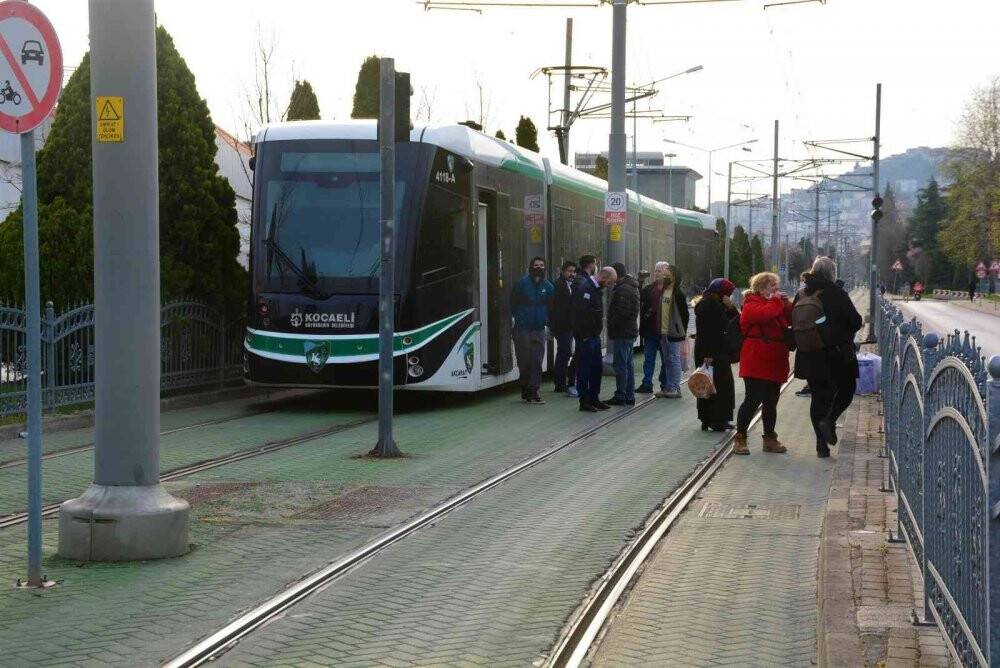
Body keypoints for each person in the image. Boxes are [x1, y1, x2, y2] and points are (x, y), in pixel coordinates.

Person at [793, 257, 863, 458]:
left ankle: (820, 445)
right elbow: (855, 321)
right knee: (846, 390)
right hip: (837, 354)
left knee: (818, 398)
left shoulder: (801, 293)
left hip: (809, 354)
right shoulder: (837, 293)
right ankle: (830, 420)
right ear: (832, 272)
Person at [733, 272, 793, 455]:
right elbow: (765, 315)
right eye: (771, 285)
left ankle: (769, 438)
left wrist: (787, 304)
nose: (775, 289)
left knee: (771, 401)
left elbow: (790, 318)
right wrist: (776, 302)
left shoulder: (775, 303)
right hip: (756, 360)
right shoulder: (751, 304)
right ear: (760, 288)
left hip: (774, 360)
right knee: (752, 400)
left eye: (776, 285)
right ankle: (740, 437)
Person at [693, 278, 739, 431]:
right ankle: (718, 420)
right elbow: (731, 324)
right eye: (728, 294)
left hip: (706, 352)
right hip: (715, 353)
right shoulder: (713, 307)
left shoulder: (706, 303)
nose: (729, 297)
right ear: (722, 294)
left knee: (705, 384)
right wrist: (731, 307)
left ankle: (706, 419)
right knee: (720, 386)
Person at [637, 262, 688, 398]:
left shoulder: (677, 294)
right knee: (667, 361)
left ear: (674, 277)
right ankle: (668, 387)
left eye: (667, 275)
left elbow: (684, 315)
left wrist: (681, 333)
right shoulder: (664, 291)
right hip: (662, 332)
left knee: (673, 360)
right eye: (662, 274)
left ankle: (675, 387)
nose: (664, 277)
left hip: (673, 333)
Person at [574, 258, 615, 412]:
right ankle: (584, 400)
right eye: (610, 282)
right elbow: (580, 314)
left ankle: (594, 398)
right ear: (603, 277)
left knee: (596, 368)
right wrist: (584, 334)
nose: (609, 285)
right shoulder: (585, 288)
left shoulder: (595, 289)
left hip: (593, 336)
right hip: (586, 336)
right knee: (585, 368)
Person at [510, 257, 554, 404]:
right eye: (536, 265)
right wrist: (515, 319)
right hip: (522, 329)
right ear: (531, 267)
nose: (539, 267)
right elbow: (512, 303)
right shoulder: (521, 284)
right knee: (524, 361)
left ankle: (533, 391)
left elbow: (552, 307)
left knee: (537, 360)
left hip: (539, 329)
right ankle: (525, 389)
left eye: (541, 265)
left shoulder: (548, 287)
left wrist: (547, 323)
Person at [606, 262, 640, 406]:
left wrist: (611, 323)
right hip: (629, 331)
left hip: (623, 332)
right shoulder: (630, 286)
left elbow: (622, 313)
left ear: (616, 274)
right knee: (628, 365)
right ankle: (629, 395)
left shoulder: (623, 290)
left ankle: (621, 395)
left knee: (621, 365)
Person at [551, 260, 578, 396]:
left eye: (574, 271)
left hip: (572, 325)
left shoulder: (575, 285)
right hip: (562, 326)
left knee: (566, 352)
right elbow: (555, 308)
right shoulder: (557, 285)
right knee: (565, 352)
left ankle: (566, 380)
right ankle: (560, 382)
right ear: (563, 271)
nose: (572, 274)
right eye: (569, 271)